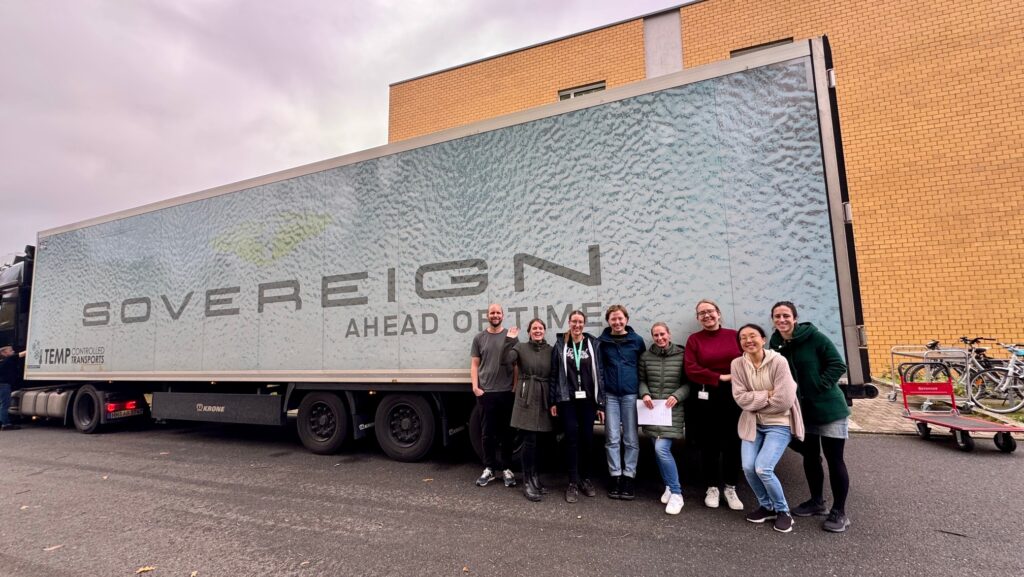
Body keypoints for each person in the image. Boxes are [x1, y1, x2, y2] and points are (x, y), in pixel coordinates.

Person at [768, 301, 852, 533]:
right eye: (777, 316)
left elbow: (837, 365)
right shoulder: (775, 342)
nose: (781, 320)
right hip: (801, 411)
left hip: (828, 408)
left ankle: (839, 511)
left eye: (786, 316)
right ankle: (817, 502)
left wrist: (818, 386)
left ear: (795, 318)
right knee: (810, 456)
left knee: (835, 459)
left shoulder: (815, 337)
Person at [731, 324, 805, 533]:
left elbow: (784, 401)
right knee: (747, 467)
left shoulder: (778, 361)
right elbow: (740, 399)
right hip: (752, 423)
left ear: (763, 339)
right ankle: (767, 506)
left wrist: (756, 399)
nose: (748, 340)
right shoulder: (737, 364)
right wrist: (767, 394)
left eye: (753, 336)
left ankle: (784, 512)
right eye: (743, 337)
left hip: (779, 424)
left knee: (763, 468)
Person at [683, 299, 744, 511]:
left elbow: (746, 361)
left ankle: (730, 487)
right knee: (709, 443)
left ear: (718, 313)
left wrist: (732, 378)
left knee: (733, 443)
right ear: (697, 318)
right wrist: (720, 377)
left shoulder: (734, 335)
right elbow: (691, 369)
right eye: (702, 313)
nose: (707, 316)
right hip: (706, 395)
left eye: (710, 311)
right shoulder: (694, 340)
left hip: (734, 396)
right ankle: (712, 488)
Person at [550, 310, 605, 503]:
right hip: (568, 401)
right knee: (571, 439)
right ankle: (572, 481)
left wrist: (601, 403)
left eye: (580, 322)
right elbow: (554, 375)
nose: (577, 325)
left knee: (588, 440)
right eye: (574, 321)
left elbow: (599, 373)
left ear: (584, 324)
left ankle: (586, 479)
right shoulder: (560, 345)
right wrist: (553, 401)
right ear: (569, 323)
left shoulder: (593, 344)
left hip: (588, 401)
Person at [639, 322, 689, 515]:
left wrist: (677, 396)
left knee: (662, 449)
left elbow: (688, 383)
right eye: (656, 335)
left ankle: (677, 493)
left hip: (671, 410)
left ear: (669, 334)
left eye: (662, 334)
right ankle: (668, 486)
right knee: (658, 451)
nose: (659, 338)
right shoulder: (645, 356)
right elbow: (642, 380)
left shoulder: (681, 356)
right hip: (652, 410)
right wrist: (644, 394)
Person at [598, 304, 646, 500]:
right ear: (608, 321)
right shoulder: (602, 342)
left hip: (629, 395)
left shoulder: (637, 341)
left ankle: (629, 477)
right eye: (613, 319)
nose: (617, 322)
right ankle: (615, 475)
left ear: (626, 319)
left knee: (631, 438)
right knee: (612, 438)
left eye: (620, 319)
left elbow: (642, 367)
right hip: (610, 395)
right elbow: (599, 371)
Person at [471, 303, 520, 488]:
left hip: (506, 391)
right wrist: (475, 387)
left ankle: (507, 468)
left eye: (498, 312)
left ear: (503, 315)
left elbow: (516, 365)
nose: (495, 315)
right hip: (486, 392)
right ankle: (489, 468)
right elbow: (475, 364)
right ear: (487, 316)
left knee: (508, 433)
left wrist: (514, 386)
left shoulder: (511, 336)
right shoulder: (479, 338)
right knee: (487, 434)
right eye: (492, 312)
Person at [508, 318, 554, 501]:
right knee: (529, 440)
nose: (537, 330)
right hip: (526, 395)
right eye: (534, 328)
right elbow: (506, 360)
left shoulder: (550, 350)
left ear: (544, 331)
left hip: (543, 395)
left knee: (541, 440)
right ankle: (527, 481)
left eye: (540, 328)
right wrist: (510, 340)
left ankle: (535, 477)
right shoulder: (520, 348)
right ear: (529, 332)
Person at [0, 346, 25, 431]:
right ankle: (6, 424)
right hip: (4, 385)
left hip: (1, 384)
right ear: (4, 353)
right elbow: (23, 354)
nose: (13, 351)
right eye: (10, 350)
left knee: (2, 404)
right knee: (5, 405)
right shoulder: (8, 359)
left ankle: (3, 422)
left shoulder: (2, 361)